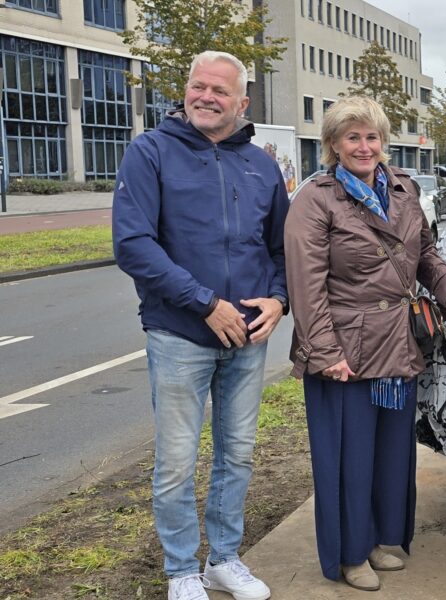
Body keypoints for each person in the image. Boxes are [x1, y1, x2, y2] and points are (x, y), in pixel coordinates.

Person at [112, 51, 287, 600]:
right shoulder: (151, 152)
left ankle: (224, 559)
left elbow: (282, 249)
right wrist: (206, 303)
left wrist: (280, 300)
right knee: (177, 461)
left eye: (219, 90)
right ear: (186, 91)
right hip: (180, 333)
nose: (206, 97)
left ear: (242, 102)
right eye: (198, 86)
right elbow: (133, 245)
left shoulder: (261, 165)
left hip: (247, 338)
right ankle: (181, 569)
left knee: (237, 453)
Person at [284, 96, 446, 592]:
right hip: (344, 350)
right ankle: (350, 555)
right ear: (333, 145)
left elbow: (424, 253)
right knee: (347, 458)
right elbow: (306, 286)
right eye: (352, 137)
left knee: (391, 454)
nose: (364, 146)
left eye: (371, 137)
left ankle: (382, 539)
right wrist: (325, 353)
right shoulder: (316, 199)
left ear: (383, 142)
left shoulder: (404, 189)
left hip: (398, 346)